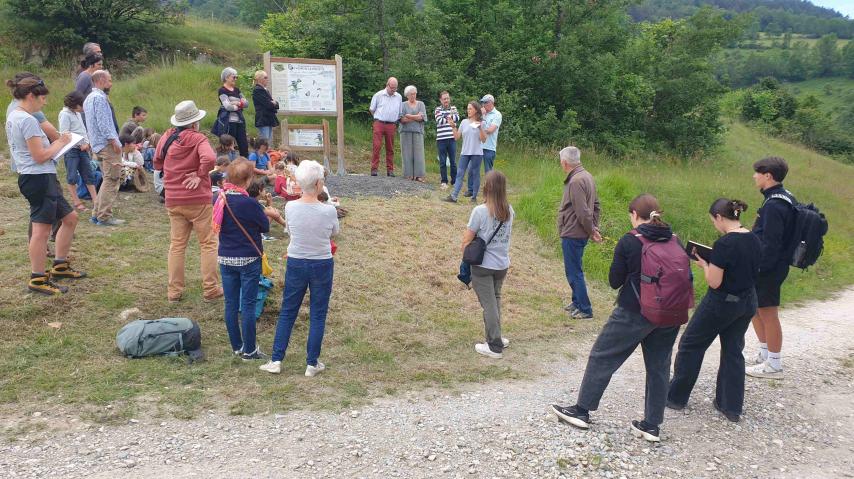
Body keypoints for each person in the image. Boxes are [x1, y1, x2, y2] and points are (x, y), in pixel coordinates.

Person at [550, 194, 681, 443]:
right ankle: (651, 425)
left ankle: (582, 410)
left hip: (634, 310)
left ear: (634, 214)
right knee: (659, 367)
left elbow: (614, 281)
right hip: (670, 313)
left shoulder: (630, 241)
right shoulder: (674, 239)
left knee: (603, 355)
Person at [668, 199, 760, 423]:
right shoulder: (755, 238)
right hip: (748, 301)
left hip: (722, 302)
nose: (714, 225)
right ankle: (731, 406)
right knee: (733, 350)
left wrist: (705, 265)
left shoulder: (725, 244)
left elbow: (715, 282)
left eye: (713, 221)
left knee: (691, 344)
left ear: (720, 217)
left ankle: (675, 397)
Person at [5, 75, 87, 295]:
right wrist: (61, 142)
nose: (45, 102)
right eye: (42, 98)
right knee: (41, 231)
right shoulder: (27, 120)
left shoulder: (16, 115)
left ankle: (60, 266)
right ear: (31, 96)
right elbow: (40, 155)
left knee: (70, 218)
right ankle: (38, 278)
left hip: (42, 176)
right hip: (38, 178)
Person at [260, 160, 339, 377]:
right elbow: (334, 232)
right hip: (322, 262)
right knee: (318, 312)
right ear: (318, 184)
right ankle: (312, 363)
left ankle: (276, 360)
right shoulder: (328, 210)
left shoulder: (290, 207)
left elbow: (290, 231)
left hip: (296, 261)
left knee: (288, 310)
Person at [153, 100, 221, 303]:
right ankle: (210, 289)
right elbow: (209, 159)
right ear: (194, 123)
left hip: (173, 198)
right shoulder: (199, 139)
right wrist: (200, 175)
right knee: (208, 243)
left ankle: (174, 292)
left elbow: (157, 162)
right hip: (198, 199)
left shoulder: (166, 136)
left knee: (177, 245)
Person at [212, 158, 279, 360]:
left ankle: (237, 346)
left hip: (225, 257)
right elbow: (264, 228)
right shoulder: (250, 203)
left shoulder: (220, 199)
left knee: (231, 304)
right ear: (249, 179)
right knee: (248, 304)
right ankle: (249, 350)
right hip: (248, 258)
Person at [746, 157, 797, 380]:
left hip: (769, 267)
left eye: (758, 172)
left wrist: (759, 269)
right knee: (755, 309)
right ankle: (764, 355)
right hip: (768, 265)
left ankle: (774, 364)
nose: (754, 176)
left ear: (768, 176)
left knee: (768, 312)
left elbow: (772, 243)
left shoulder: (775, 204)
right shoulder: (780, 197)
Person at [461, 170, 514, 358]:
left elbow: (467, 241)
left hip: (483, 266)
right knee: (496, 300)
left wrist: (464, 262)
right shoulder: (509, 210)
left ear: (487, 187)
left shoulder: (480, 211)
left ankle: (493, 345)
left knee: (489, 305)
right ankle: (497, 336)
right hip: (502, 264)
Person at [557, 146, 602, 319]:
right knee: (574, 268)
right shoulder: (587, 176)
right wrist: (594, 227)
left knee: (574, 271)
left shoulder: (576, 181)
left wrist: (592, 230)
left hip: (573, 233)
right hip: (578, 231)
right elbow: (596, 205)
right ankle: (576, 302)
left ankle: (585, 308)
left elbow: (583, 212)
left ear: (565, 162)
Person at [83, 70, 124, 226]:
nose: (111, 84)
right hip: (107, 145)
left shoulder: (88, 99)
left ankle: (96, 214)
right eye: (109, 80)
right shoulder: (99, 98)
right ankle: (104, 216)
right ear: (100, 80)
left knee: (107, 179)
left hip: (97, 145)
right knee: (112, 179)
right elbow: (103, 122)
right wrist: (113, 140)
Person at [58, 91, 97, 210]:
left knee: (88, 174)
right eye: (81, 105)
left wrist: (87, 143)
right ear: (74, 104)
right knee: (72, 176)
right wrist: (80, 144)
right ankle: (76, 202)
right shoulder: (65, 114)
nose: (83, 108)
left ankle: (96, 201)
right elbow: (64, 134)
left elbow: (83, 130)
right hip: (72, 150)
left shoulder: (77, 113)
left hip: (83, 149)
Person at [443, 101, 487, 204]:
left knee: (475, 174)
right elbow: (457, 137)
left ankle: (474, 197)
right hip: (465, 152)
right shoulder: (464, 122)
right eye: (467, 109)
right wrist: (453, 127)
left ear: (476, 110)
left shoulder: (482, 123)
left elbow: (483, 139)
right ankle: (454, 196)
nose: (468, 111)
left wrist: (480, 128)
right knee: (460, 173)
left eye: (470, 109)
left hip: (477, 153)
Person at [465, 94, 502, 197]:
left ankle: (489, 192)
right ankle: (470, 190)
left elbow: (491, 130)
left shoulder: (497, 115)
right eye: (482, 103)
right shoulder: (482, 113)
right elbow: (471, 126)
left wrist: (480, 128)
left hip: (489, 147)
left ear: (491, 103)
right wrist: (480, 115)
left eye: (485, 102)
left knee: (488, 172)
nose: (483, 104)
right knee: (472, 168)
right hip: (478, 146)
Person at [369, 77, 402, 177]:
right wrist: (378, 118)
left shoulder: (399, 97)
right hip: (379, 123)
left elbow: (400, 112)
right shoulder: (378, 95)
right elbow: (372, 109)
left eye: (395, 88)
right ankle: (374, 169)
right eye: (392, 88)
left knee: (390, 148)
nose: (393, 90)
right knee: (377, 146)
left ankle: (390, 170)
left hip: (391, 124)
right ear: (387, 85)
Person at [218, 67, 249, 157]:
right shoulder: (222, 90)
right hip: (228, 122)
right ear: (227, 77)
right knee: (229, 145)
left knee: (243, 144)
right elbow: (228, 107)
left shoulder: (237, 90)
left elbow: (246, 104)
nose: (235, 79)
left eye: (236, 77)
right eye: (233, 77)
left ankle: (245, 165)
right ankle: (229, 166)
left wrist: (236, 103)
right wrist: (239, 105)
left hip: (240, 121)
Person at [398, 85, 427, 182]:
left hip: (418, 132)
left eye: (415, 94)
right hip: (405, 132)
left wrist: (409, 116)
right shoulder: (402, 105)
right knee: (406, 153)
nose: (413, 96)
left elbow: (422, 118)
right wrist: (416, 117)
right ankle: (408, 174)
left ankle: (419, 175)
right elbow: (402, 119)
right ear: (407, 95)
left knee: (419, 154)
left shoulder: (421, 104)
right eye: (411, 94)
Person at [434, 91, 459, 189]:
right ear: (441, 100)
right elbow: (439, 121)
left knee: (453, 161)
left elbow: (457, 117)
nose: (446, 100)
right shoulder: (437, 109)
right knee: (442, 161)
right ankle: (444, 181)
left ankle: (454, 181)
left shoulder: (454, 108)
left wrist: (446, 117)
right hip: (441, 139)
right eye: (444, 99)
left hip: (452, 138)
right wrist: (449, 118)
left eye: (447, 98)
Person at [252, 70, 279, 142]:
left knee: (268, 143)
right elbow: (269, 104)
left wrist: (275, 103)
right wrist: (273, 103)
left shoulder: (265, 90)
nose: (267, 79)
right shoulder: (258, 90)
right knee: (264, 143)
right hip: (263, 119)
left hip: (268, 119)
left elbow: (275, 104)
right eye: (265, 77)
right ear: (259, 79)